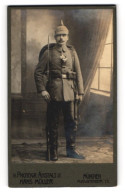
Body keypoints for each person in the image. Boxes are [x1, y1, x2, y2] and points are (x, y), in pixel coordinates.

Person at [34, 20, 85, 161]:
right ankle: (53, 151)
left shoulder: (72, 53)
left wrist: (80, 92)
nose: (61, 38)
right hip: (54, 93)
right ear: (55, 37)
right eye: (58, 35)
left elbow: (78, 73)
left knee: (72, 122)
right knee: (53, 123)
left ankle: (71, 150)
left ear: (67, 37)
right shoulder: (48, 53)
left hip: (71, 92)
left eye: (64, 35)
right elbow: (38, 72)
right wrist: (42, 90)